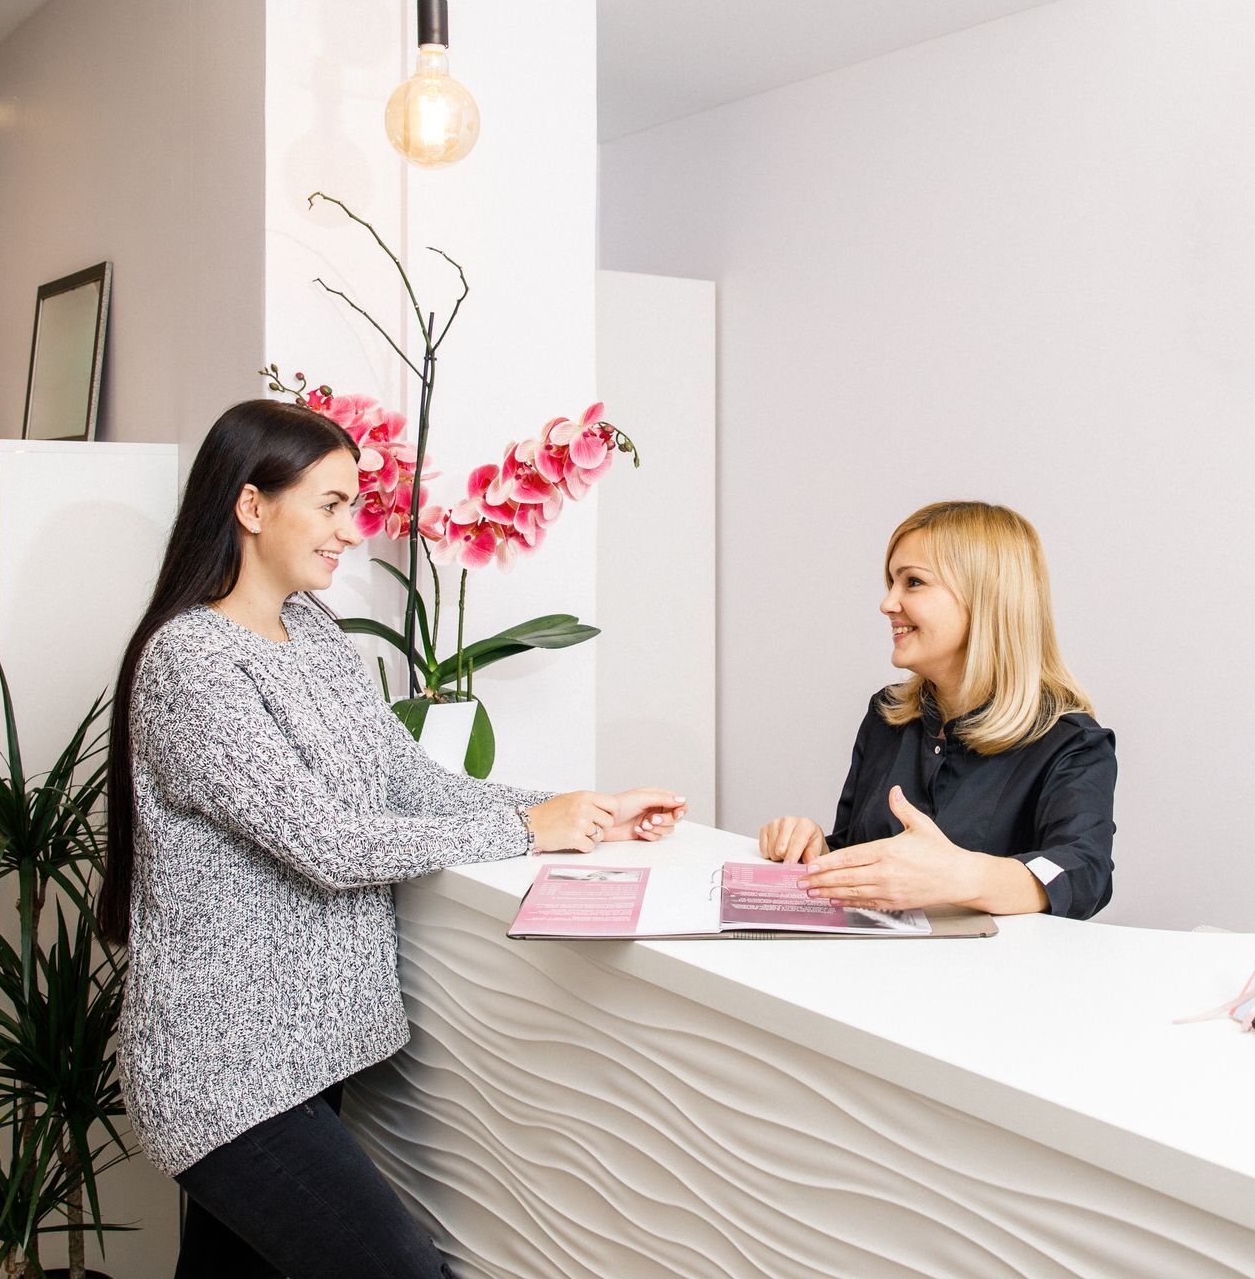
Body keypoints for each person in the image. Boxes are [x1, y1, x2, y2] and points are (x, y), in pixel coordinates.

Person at [94, 398, 686, 1279]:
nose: (350, 528)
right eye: (330, 504)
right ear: (252, 507)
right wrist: (529, 827)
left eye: (354, 504)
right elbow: (329, 843)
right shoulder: (193, 662)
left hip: (301, 1056)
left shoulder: (316, 632)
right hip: (229, 1076)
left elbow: (408, 785)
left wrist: (581, 810)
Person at [758, 501, 1114, 920]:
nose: (888, 603)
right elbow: (860, 848)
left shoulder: (1071, 744)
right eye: (891, 582)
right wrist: (817, 849)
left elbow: (1083, 873)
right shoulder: (887, 715)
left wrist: (962, 876)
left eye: (913, 582)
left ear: (986, 599)